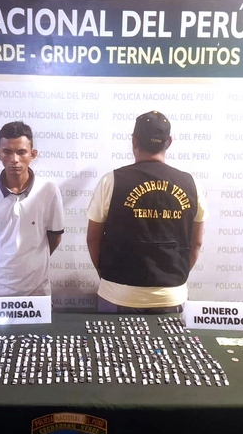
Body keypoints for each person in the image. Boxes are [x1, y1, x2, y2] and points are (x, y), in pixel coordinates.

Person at [86, 110, 208, 314]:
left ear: (134, 141)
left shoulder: (111, 181)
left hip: (117, 294)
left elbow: (93, 239)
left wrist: (108, 277)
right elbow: (196, 243)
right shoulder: (191, 184)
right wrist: (173, 280)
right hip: (171, 296)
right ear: (169, 142)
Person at [0, 121, 65, 307]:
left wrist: (32, 261)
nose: (14, 159)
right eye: (7, 152)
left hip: (36, 291)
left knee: (39, 329)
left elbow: (54, 237)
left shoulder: (49, 190)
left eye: (21, 152)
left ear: (32, 154)